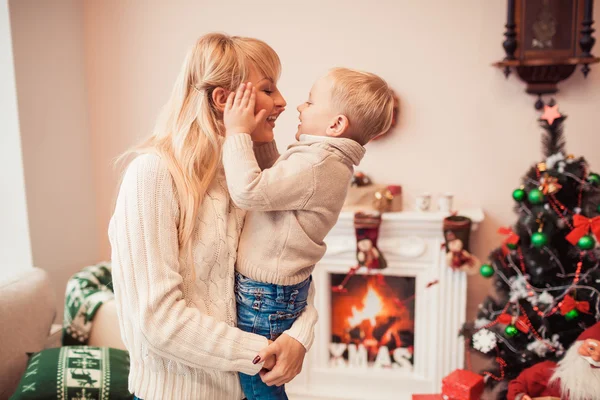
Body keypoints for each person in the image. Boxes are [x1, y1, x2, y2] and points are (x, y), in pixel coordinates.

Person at [108, 33, 316, 400]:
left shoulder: (249, 178)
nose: (283, 102)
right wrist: (259, 354)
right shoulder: (153, 175)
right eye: (268, 90)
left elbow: (287, 266)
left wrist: (300, 335)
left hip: (253, 389)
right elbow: (157, 320)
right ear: (222, 100)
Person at [221, 68, 395, 399]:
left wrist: (237, 132)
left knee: (260, 385)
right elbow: (276, 183)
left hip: (266, 292)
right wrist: (264, 138)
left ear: (336, 125)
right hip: (272, 290)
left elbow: (249, 190)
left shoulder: (318, 164)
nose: (299, 107)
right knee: (259, 383)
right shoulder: (321, 160)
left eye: (310, 102)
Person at [507, 321, 600, 400]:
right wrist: (520, 397)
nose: (595, 358)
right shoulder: (547, 371)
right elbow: (518, 385)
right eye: (591, 349)